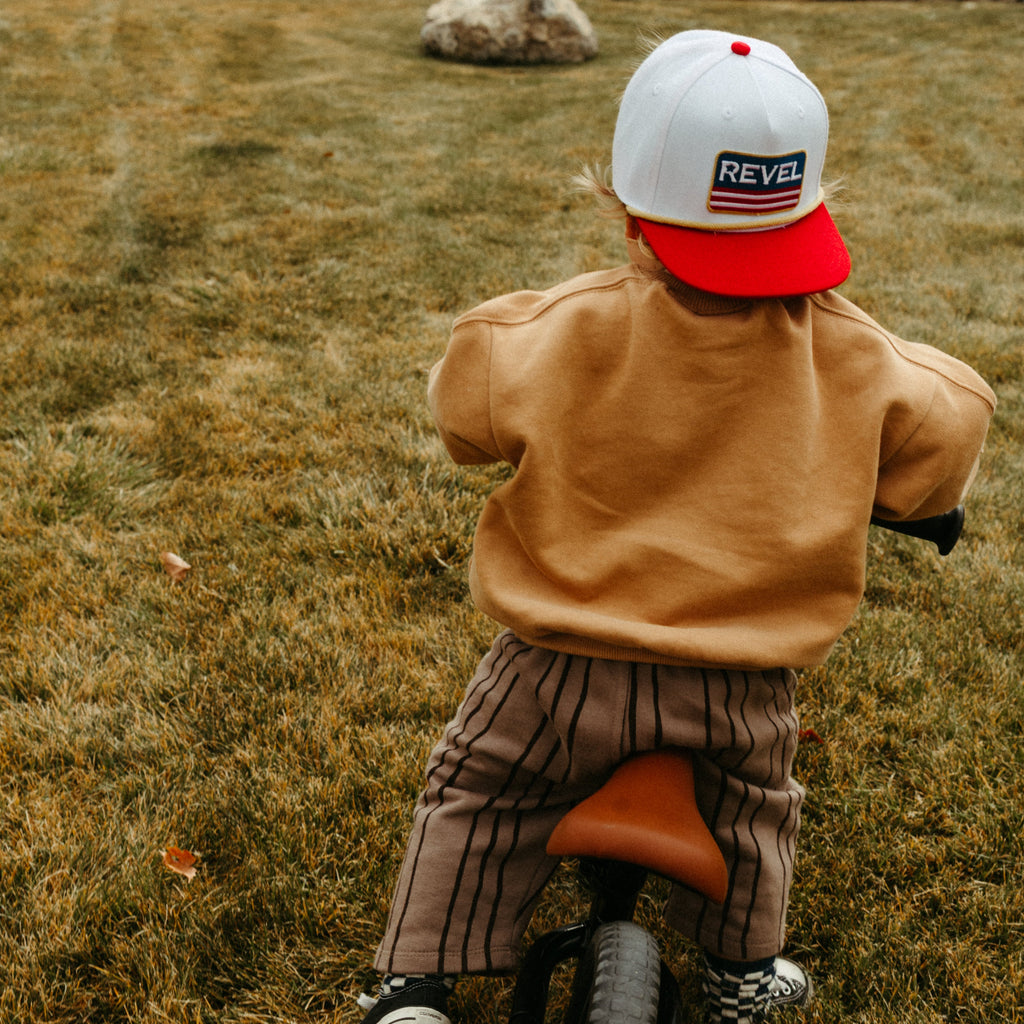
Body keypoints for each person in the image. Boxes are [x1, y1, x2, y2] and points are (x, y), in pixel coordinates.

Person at [356, 29, 995, 1024]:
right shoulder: (861, 355)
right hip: (737, 687)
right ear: (806, 206)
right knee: (754, 813)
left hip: (554, 667)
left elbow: (464, 405)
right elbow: (950, 424)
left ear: (626, 209)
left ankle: (415, 989)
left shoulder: (555, 330)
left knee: (476, 791)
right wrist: (916, 496)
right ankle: (740, 976)